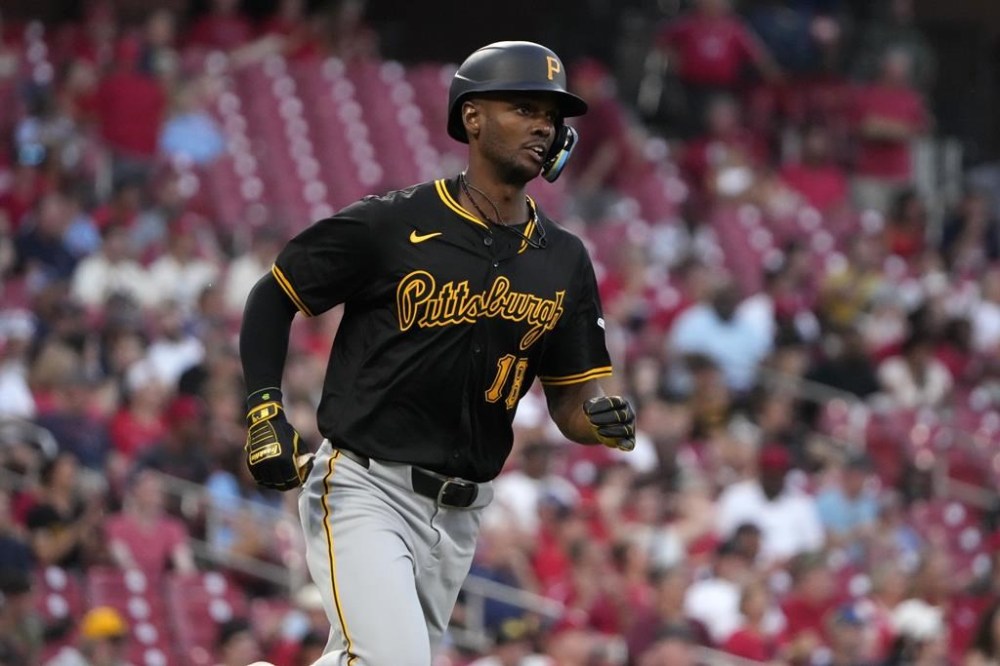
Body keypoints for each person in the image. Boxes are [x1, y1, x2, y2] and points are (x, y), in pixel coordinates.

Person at [238, 41, 636, 666]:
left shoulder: (564, 259)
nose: (544, 125)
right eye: (525, 107)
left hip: (462, 512)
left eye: (552, 116)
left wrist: (601, 420)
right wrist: (265, 411)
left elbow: (572, 402)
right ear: (472, 117)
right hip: (367, 485)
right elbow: (273, 296)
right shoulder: (393, 223)